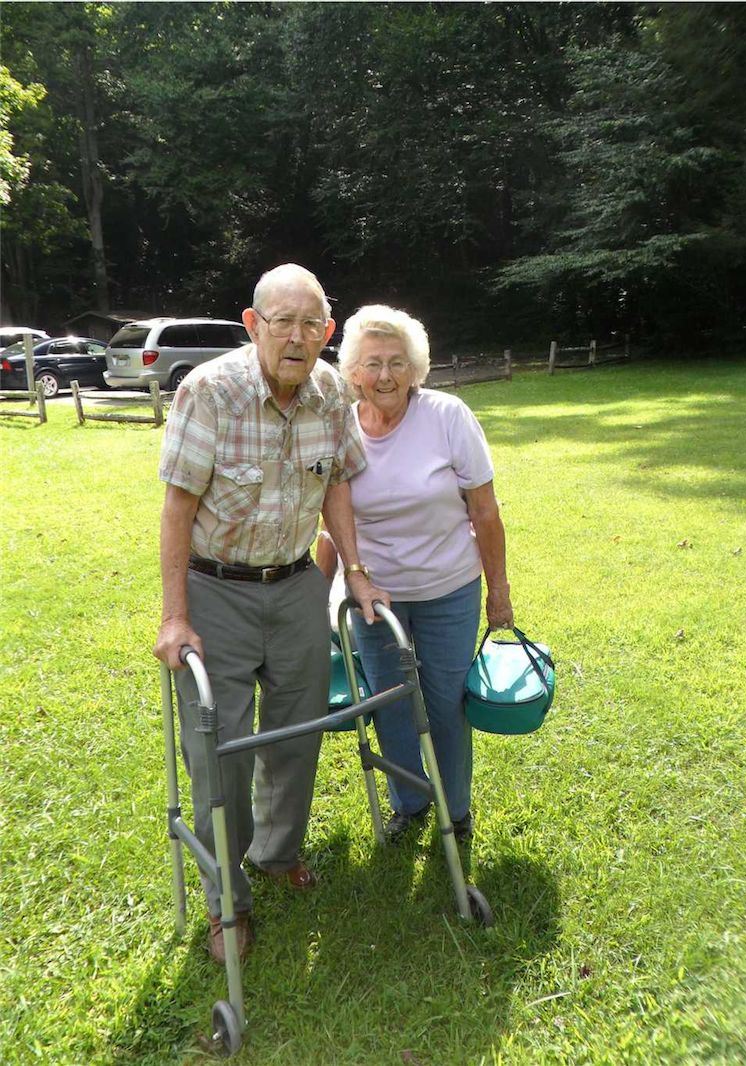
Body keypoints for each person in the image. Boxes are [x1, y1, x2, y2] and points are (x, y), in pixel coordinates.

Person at [153, 264, 388, 964]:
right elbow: (177, 507)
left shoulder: (330, 393)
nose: (296, 335)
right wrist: (174, 615)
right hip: (216, 588)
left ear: (328, 331)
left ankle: (277, 850)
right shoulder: (210, 391)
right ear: (253, 325)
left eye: (310, 323)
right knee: (218, 749)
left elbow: (337, 486)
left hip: (293, 587)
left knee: (297, 732)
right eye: (281, 321)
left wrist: (358, 573)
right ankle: (227, 902)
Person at [316, 305, 514, 843]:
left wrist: (500, 591)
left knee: (445, 701)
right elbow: (331, 523)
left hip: (448, 587)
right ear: (352, 370)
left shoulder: (448, 416)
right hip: (372, 596)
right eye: (373, 363)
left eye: (398, 363)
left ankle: (456, 809)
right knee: (389, 701)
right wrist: (317, 596)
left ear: (417, 368)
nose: (385, 376)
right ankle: (410, 801)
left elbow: (485, 511)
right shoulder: (339, 429)